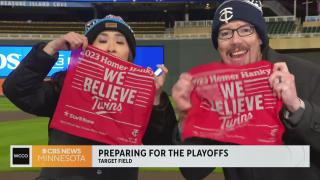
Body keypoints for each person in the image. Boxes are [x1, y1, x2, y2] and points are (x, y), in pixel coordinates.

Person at [3, 15, 177, 180]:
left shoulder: (143, 97)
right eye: (102, 40)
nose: (111, 47)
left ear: (129, 55)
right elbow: (16, 89)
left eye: (120, 42)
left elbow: (164, 149)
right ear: (89, 48)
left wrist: (154, 99)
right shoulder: (66, 87)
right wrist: (51, 48)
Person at [172, 0, 320, 179]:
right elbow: (193, 170)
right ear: (218, 45)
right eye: (225, 33)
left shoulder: (308, 75)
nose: (235, 41)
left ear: (260, 37)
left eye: (245, 30)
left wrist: (298, 109)